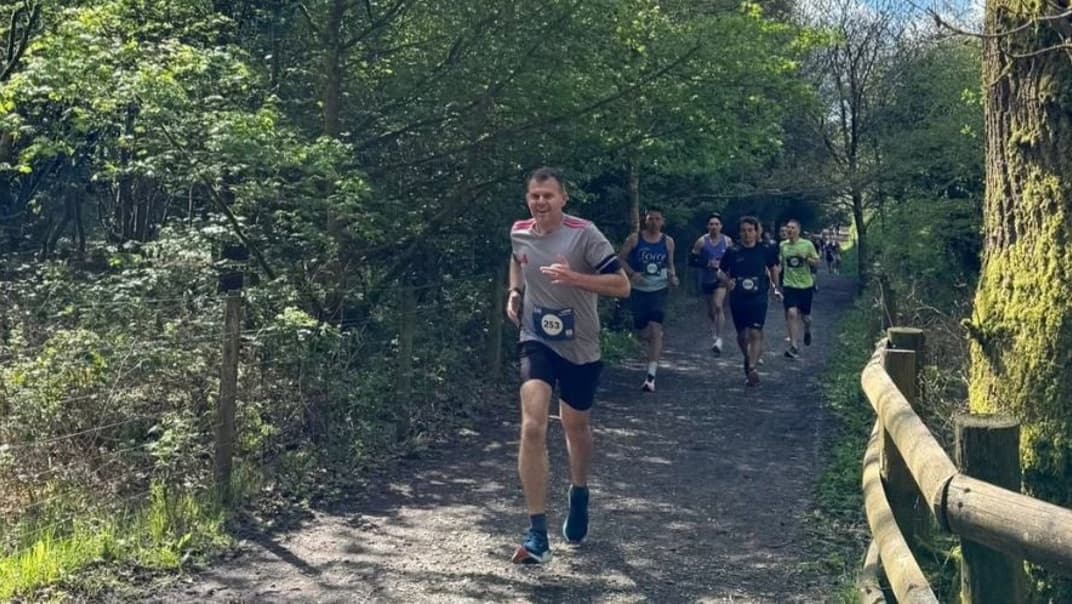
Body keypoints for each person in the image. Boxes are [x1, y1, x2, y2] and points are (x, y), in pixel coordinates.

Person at [506, 167, 630, 564]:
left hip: (581, 345)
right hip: (536, 338)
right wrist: (514, 291)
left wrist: (574, 278)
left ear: (564, 198)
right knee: (533, 424)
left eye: (548, 195)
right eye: (534, 196)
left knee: (575, 426)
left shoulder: (584, 234)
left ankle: (579, 493)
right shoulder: (519, 230)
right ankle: (537, 532)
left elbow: (622, 285)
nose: (540, 202)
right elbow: (516, 259)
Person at [619, 207, 678, 392]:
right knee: (643, 331)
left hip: (659, 289)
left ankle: (650, 377)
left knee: (656, 328)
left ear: (663, 221)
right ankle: (652, 338)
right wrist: (632, 273)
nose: (654, 222)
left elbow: (670, 264)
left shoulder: (668, 241)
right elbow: (620, 259)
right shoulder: (635, 239)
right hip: (638, 289)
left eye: (657, 219)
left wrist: (673, 277)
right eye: (650, 219)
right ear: (646, 220)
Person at [718, 216, 781, 386]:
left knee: (755, 332)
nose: (747, 234)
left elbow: (773, 268)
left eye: (750, 230)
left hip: (759, 296)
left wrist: (776, 288)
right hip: (738, 297)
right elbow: (721, 271)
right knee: (742, 335)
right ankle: (748, 358)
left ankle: (752, 367)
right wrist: (727, 281)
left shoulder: (765, 249)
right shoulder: (733, 251)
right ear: (740, 233)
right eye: (744, 231)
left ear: (756, 232)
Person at [690, 214, 732, 355]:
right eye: (711, 224)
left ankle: (719, 340)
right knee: (711, 310)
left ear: (721, 226)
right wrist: (706, 263)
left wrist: (730, 274)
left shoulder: (727, 241)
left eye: (716, 224)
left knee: (718, 305)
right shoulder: (702, 241)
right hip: (707, 278)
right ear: (708, 226)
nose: (714, 226)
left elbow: (734, 259)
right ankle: (714, 328)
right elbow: (692, 260)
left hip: (721, 279)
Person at [779, 219, 820, 359]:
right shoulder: (782, 246)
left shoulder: (807, 245)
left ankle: (807, 330)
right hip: (789, 285)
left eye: (792, 228)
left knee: (806, 318)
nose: (789, 230)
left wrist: (807, 259)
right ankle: (794, 346)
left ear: (798, 230)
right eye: (788, 228)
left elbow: (817, 262)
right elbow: (780, 264)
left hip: (805, 286)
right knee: (791, 313)